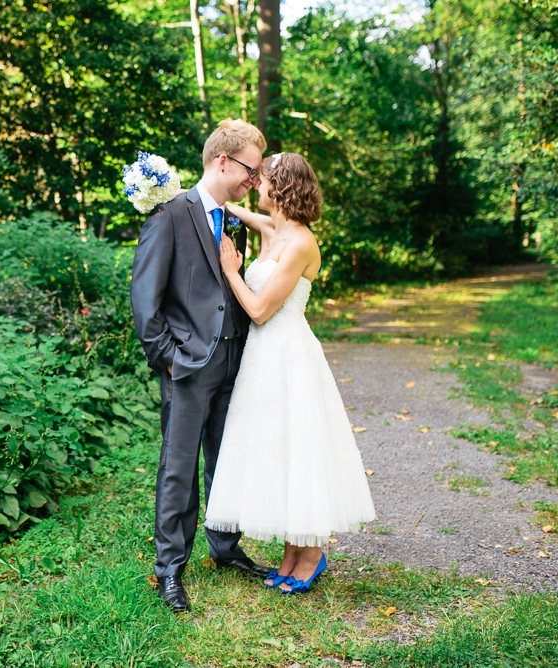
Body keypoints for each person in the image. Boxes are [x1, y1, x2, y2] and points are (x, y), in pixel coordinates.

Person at [203, 152, 376, 594]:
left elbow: (260, 311)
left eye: (261, 180)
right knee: (274, 448)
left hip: (290, 356)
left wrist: (231, 272)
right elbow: (228, 207)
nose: (255, 185)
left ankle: (311, 553)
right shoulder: (273, 228)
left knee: (299, 449)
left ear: (280, 188)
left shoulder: (301, 242)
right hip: (262, 361)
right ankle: (290, 551)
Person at [130, 119, 275, 614]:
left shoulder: (233, 220)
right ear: (223, 162)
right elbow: (146, 304)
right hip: (188, 367)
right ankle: (170, 568)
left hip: (235, 360)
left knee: (226, 460)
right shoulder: (169, 215)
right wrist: (170, 361)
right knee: (179, 468)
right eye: (250, 172)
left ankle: (225, 547)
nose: (253, 182)